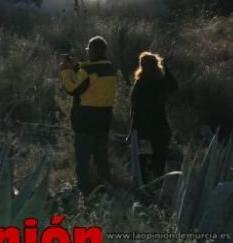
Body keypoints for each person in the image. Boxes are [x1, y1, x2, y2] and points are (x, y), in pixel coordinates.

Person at [59, 36, 122, 193]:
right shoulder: (111, 69)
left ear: (92, 51)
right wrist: (77, 67)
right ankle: (107, 188)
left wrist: (66, 71)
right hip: (104, 120)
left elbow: (72, 89)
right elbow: (92, 75)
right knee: (102, 158)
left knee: (83, 159)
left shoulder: (87, 70)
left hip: (85, 121)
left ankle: (83, 192)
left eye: (89, 50)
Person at [130, 52, 179, 182]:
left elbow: (134, 106)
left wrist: (132, 129)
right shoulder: (161, 83)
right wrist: (164, 67)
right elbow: (174, 86)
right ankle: (158, 185)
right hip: (160, 128)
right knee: (159, 160)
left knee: (143, 159)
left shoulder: (140, 84)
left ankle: (144, 186)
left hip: (143, 130)